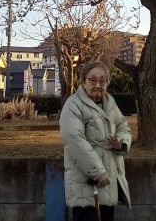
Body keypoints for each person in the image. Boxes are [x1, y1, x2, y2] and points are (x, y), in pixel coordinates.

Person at [59, 61, 132, 221]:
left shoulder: (110, 103)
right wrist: (98, 172)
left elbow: (123, 127)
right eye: (92, 80)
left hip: (109, 179)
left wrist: (120, 143)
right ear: (83, 81)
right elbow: (74, 140)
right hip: (86, 181)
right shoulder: (73, 105)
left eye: (102, 80)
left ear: (108, 83)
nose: (98, 85)